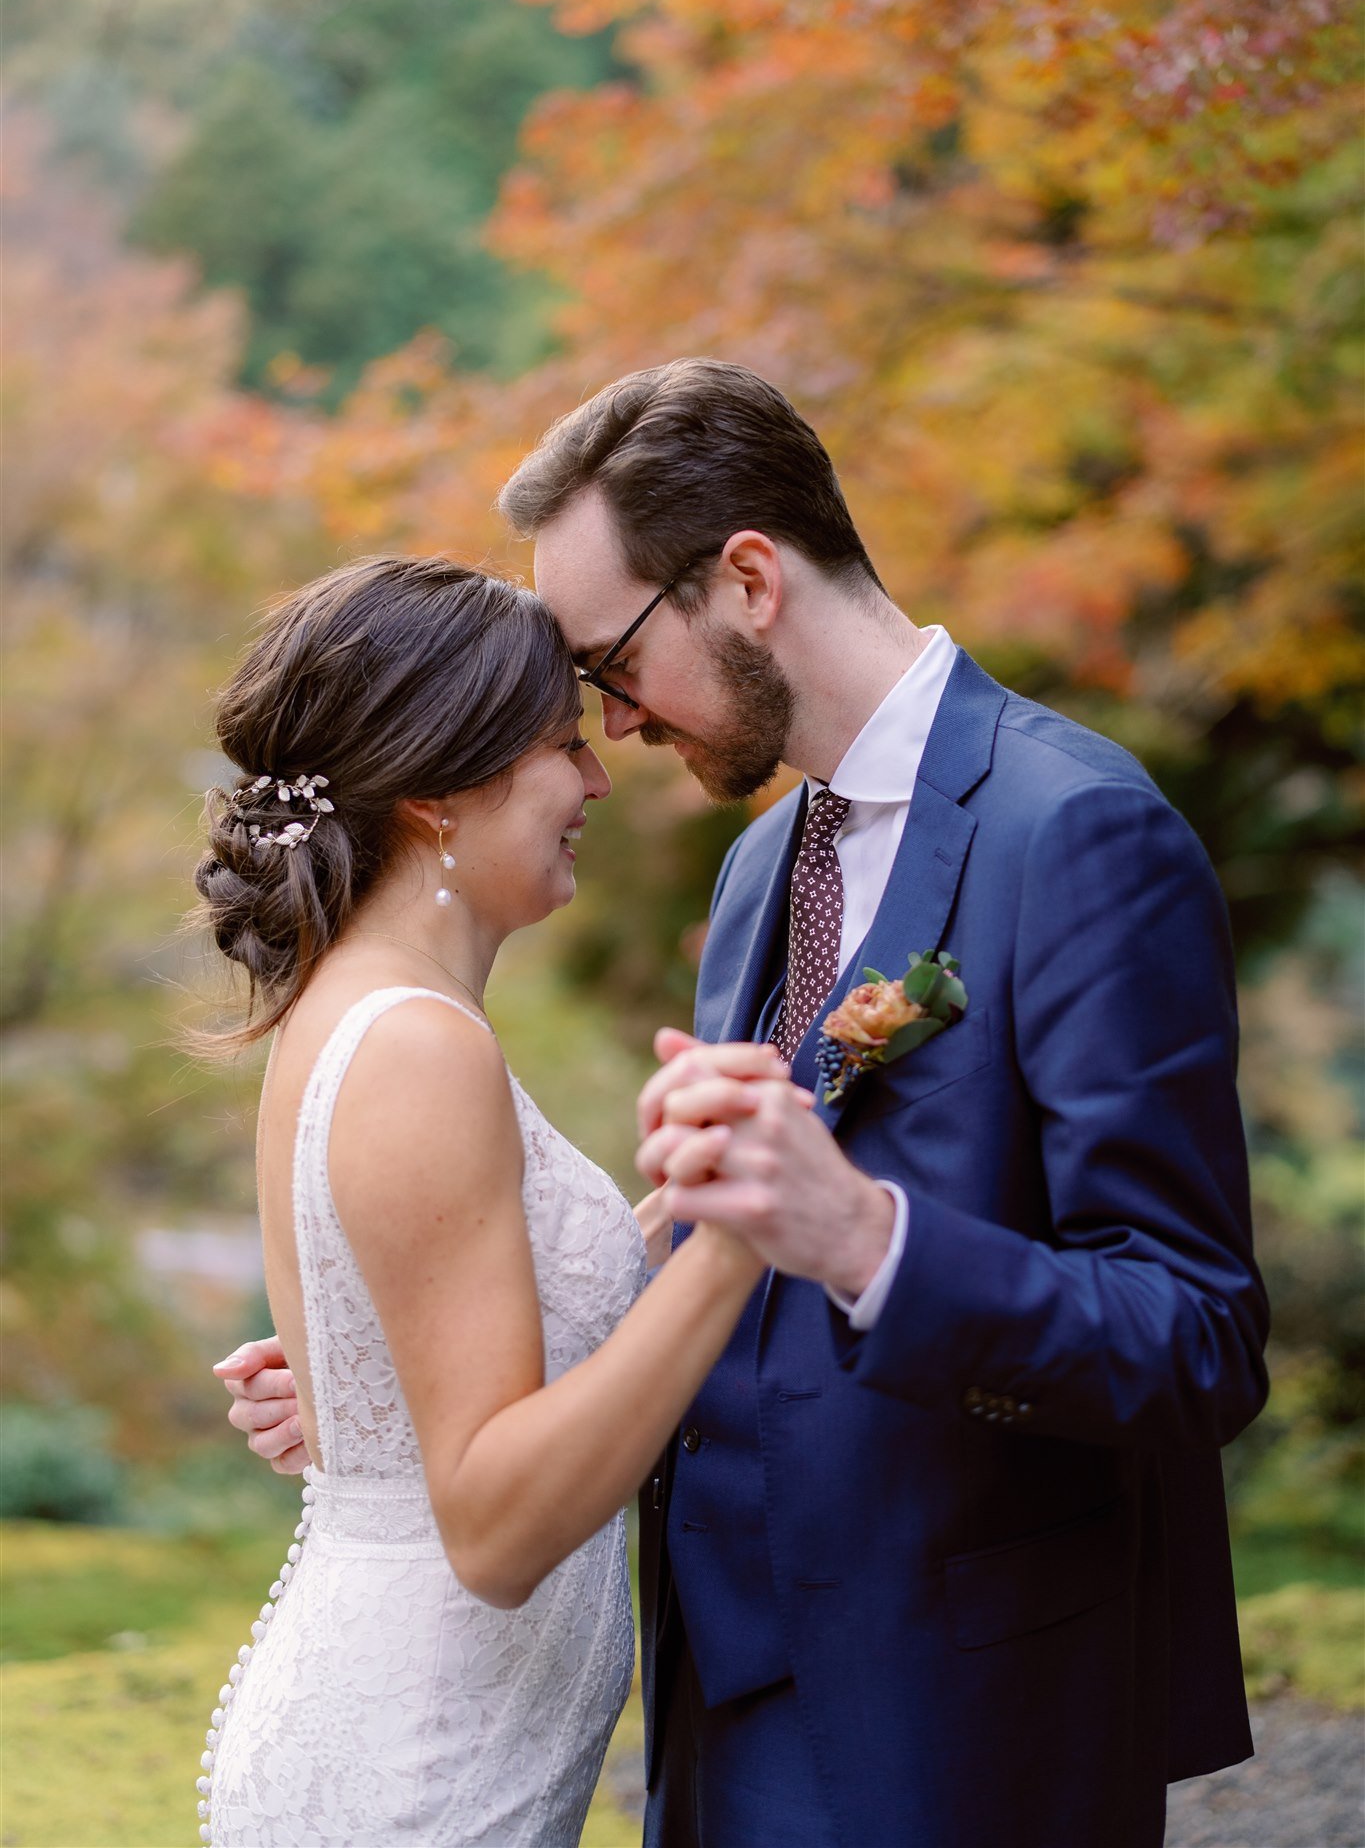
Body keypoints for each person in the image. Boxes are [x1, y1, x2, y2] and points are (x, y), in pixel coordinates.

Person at [222, 361, 1269, 1847]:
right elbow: (719, 1272)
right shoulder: (761, 869)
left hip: (959, 1723)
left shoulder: (1076, 832)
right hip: (714, 1718)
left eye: (610, 661)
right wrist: (386, 1375)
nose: (613, 727)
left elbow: (1196, 1342)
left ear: (749, 581)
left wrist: (866, 1241)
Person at [190, 554, 770, 1848]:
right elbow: (497, 1529)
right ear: (440, 792)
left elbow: (478, 1328)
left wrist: (678, 1212)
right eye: (565, 745)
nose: (599, 779)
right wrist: (734, 1247)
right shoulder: (415, 1045)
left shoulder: (378, 1015)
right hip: (420, 1775)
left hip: (419, 1740)